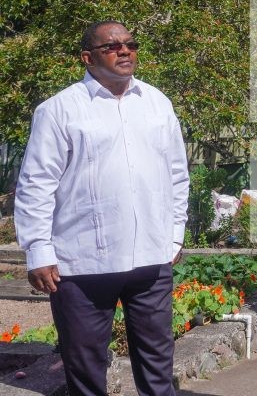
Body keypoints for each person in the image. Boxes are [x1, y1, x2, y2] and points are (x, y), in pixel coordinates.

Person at [15, 21, 189, 396]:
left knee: (159, 363)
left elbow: (177, 174)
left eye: (130, 44)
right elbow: (36, 184)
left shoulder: (157, 103)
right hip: (82, 263)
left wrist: (174, 235)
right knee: (86, 368)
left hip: (150, 259)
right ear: (87, 57)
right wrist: (38, 251)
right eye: (112, 46)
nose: (124, 51)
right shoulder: (59, 110)